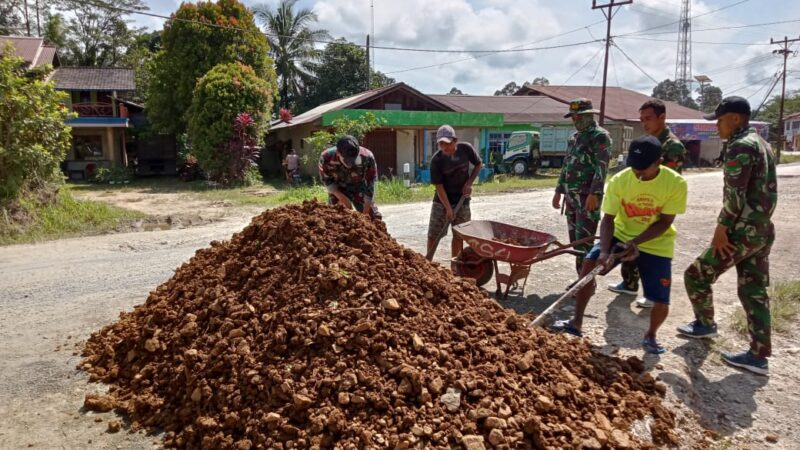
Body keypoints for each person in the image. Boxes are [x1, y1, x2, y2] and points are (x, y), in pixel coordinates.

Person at [551, 135, 688, 354]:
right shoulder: (620, 180)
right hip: (620, 234)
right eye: (635, 168)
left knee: (661, 295)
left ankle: (651, 336)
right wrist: (605, 251)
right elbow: (608, 219)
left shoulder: (675, 183)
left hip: (655, 242)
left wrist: (635, 243)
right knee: (589, 263)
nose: (638, 174)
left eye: (643, 169)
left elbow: (664, 222)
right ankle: (576, 322)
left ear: (658, 162)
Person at [677, 96, 777, 375]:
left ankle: (705, 324)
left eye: (720, 120)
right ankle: (759, 355)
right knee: (754, 290)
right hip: (762, 229)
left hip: (740, 231)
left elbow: (736, 195)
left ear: (735, 118)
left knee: (696, 275)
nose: (717, 126)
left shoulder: (741, 145)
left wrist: (722, 229)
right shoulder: (762, 143)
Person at [609, 99, 688, 308]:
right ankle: (629, 283)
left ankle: (652, 294)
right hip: (636, 201)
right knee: (627, 239)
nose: (644, 123)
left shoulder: (672, 146)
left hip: (655, 206)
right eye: (642, 119)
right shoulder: (646, 141)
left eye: (648, 119)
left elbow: (667, 180)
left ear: (662, 117)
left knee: (647, 249)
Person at [552, 98, 611, 273]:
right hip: (571, 197)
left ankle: (585, 282)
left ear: (590, 116)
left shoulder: (600, 136)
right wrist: (558, 191)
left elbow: (602, 167)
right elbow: (566, 165)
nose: (576, 121)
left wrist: (595, 193)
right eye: (574, 118)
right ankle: (581, 277)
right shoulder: (574, 138)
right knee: (575, 241)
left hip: (587, 198)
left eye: (579, 117)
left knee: (585, 241)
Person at [426, 125, 483, 261]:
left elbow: (478, 164)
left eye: (447, 143)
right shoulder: (436, 161)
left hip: (462, 200)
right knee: (433, 234)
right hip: (441, 202)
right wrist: (448, 208)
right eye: (441, 144)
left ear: (455, 140)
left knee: (459, 235)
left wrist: (469, 183)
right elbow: (439, 187)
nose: (444, 147)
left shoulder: (466, 149)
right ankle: (427, 264)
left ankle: (455, 266)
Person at [318, 135, 381, 219]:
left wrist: (365, 215)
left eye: (353, 159)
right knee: (335, 219)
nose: (350, 164)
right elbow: (327, 181)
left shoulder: (367, 157)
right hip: (338, 189)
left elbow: (370, 183)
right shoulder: (326, 157)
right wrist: (343, 198)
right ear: (338, 153)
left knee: (373, 217)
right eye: (347, 160)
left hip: (360, 187)